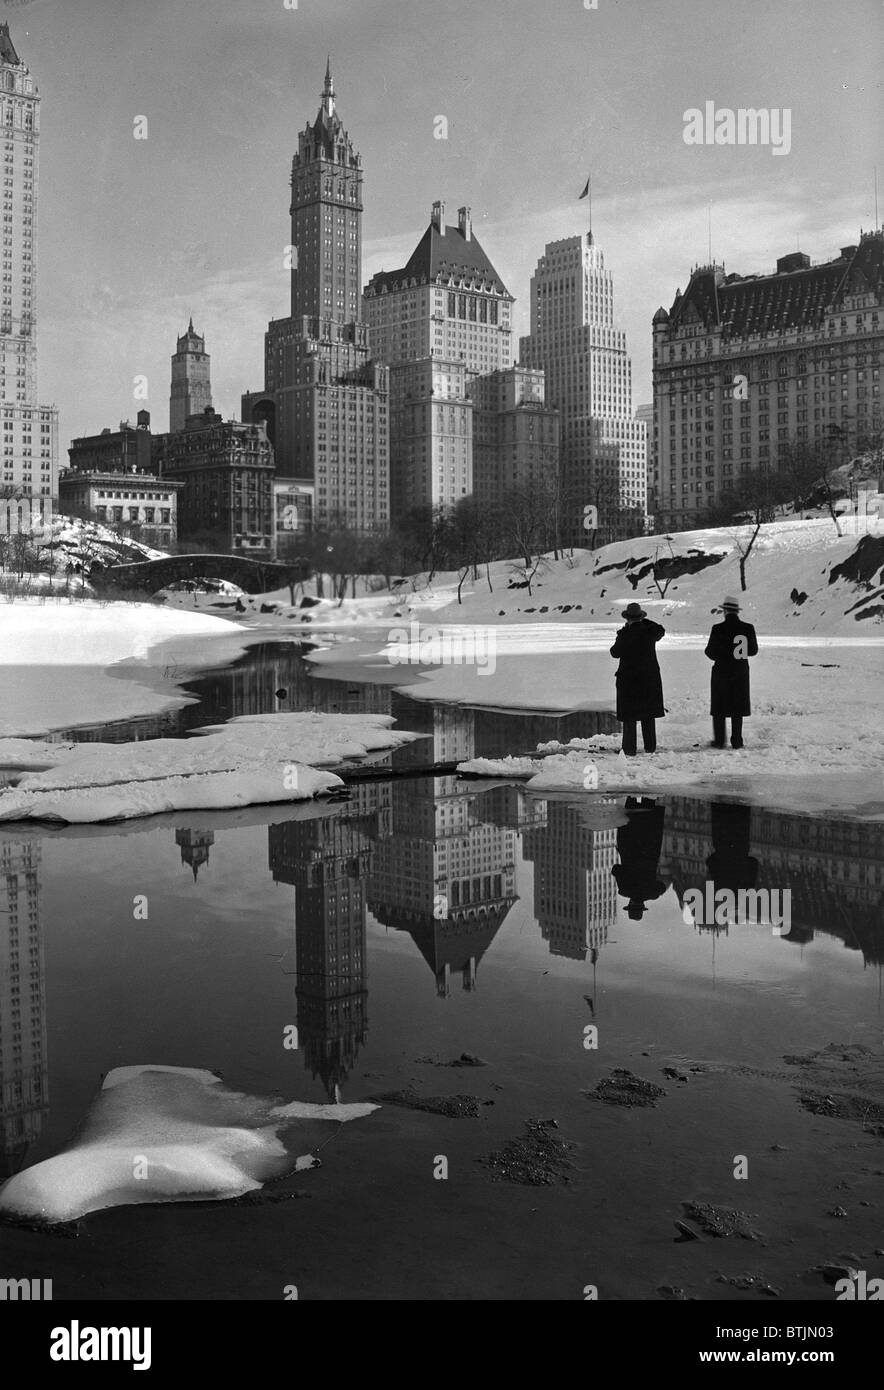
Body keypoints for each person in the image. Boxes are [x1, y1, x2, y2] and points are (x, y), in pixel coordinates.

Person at [609, 602, 666, 755]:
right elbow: (661, 630)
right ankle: (650, 746)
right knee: (648, 715)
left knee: (629, 716)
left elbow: (614, 652)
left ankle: (629, 748)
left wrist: (625, 630)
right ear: (641, 617)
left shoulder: (625, 634)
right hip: (649, 678)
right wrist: (644, 622)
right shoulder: (649, 632)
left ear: (627, 618)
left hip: (629, 679)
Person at [704, 597, 758, 749]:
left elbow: (710, 652)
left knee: (719, 707)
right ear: (736, 611)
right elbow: (753, 650)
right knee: (737, 706)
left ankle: (720, 740)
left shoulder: (718, 629)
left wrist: (722, 654)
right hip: (740, 670)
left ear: (725, 611)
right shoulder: (748, 628)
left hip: (721, 671)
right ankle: (737, 740)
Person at [611, 797, 667, 920]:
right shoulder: (625, 890)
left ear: (642, 906)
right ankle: (632, 790)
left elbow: (662, 886)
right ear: (630, 904)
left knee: (649, 805)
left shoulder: (652, 893)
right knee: (631, 807)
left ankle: (648, 789)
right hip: (630, 845)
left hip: (649, 846)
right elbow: (616, 869)